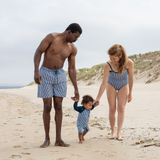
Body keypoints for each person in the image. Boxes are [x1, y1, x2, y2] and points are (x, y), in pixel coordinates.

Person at [34, 23, 82, 147]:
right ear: (69, 32)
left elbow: (71, 69)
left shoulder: (72, 48)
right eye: (75, 36)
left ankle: (58, 139)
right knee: (47, 106)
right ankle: (47, 139)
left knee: (59, 106)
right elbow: (38, 52)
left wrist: (76, 88)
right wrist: (36, 71)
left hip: (60, 75)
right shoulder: (52, 38)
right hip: (46, 72)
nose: (76, 40)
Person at [95, 44, 134, 141]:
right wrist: (98, 98)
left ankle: (119, 133)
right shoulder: (108, 65)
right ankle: (112, 132)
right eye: (110, 58)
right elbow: (104, 83)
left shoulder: (129, 63)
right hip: (111, 84)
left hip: (123, 85)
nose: (112, 60)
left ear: (120, 56)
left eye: (114, 58)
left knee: (121, 108)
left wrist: (130, 92)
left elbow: (131, 78)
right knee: (112, 109)